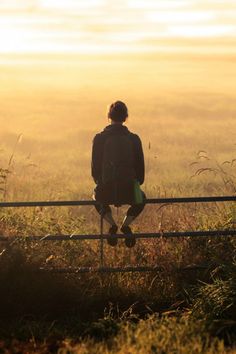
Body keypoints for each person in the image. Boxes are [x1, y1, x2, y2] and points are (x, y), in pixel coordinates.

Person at [91, 101, 145, 247]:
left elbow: (95, 170)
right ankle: (126, 225)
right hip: (129, 190)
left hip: (106, 191)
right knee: (142, 199)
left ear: (109, 116)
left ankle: (112, 225)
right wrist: (135, 183)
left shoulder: (99, 138)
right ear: (126, 117)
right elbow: (141, 171)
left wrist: (101, 183)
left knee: (96, 197)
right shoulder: (134, 139)